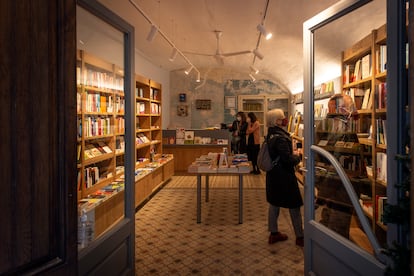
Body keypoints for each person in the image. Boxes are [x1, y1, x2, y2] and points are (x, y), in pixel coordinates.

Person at [265, 108, 304, 247]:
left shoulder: (270, 135)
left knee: (274, 203)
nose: (285, 119)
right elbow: (287, 159)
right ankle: (300, 236)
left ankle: (273, 233)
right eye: (282, 117)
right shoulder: (281, 138)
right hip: (284, 176)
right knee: (294, 205)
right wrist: (298, 157)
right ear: (276, 121)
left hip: (273, 175)